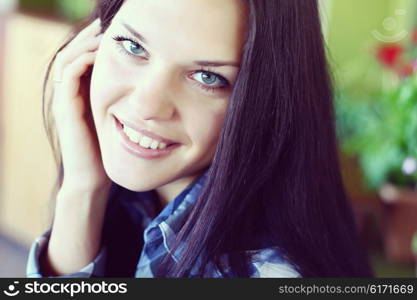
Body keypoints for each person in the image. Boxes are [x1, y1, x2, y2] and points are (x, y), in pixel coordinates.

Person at [26, 0, 374, 278]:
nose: (147, 104)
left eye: (207, 77)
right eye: (132, 46)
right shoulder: (137, 203)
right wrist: (83, 189)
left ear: (268, 103)